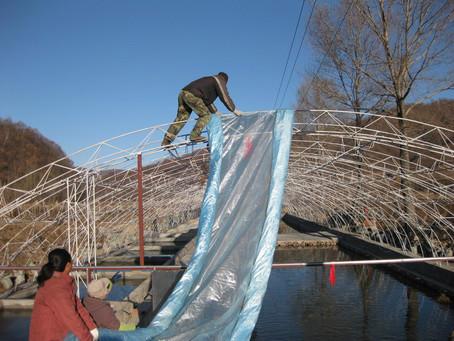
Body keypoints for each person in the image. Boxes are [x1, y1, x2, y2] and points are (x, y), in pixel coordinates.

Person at [29, 248, 99, 341]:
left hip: (61, 335)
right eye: (72, 261)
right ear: (68, 265)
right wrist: (87, 338)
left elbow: (78, 308)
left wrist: (93, 328)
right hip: (48, 337)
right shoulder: (56, 288)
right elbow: (70, 317)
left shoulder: (63, 283)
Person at [161, 72, 243, 147]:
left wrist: (215, 111)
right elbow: (225, 97)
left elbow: (207, 101)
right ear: (225, 80)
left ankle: (166, 141)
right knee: (206, 115)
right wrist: (234, 110)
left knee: (181, 118)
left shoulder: (209, 81)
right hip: (192, 95)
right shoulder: (219, 80)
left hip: (183, 93)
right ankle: (195, 135)